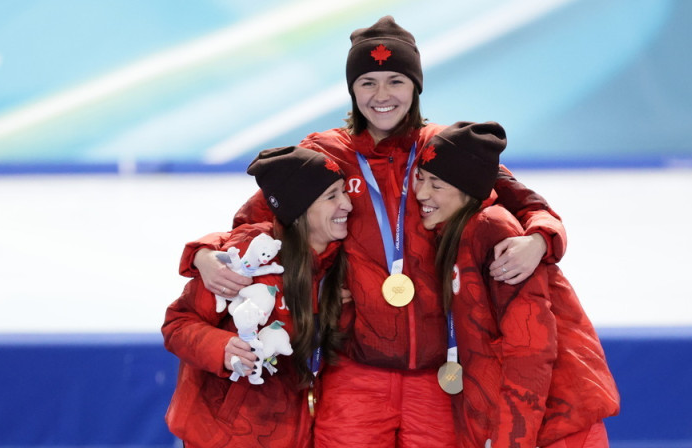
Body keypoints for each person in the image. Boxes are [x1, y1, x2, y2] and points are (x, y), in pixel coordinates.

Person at [181, 16, 569, 447]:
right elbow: (256, 225)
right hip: (354, 373)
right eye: (367, 82)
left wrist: (540, 239)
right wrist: (200, 252)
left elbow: (529, 205)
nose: (381, 96)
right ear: (352, 90)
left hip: (439, 377)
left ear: (415, 87)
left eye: (395, 81)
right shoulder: (325, 154)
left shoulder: (445, 150)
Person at [414, 121, 620, 448]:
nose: (421, 193)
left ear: (468, 190)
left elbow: (530, 351)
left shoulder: (494, 231)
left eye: (436, 185)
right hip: (517, 422)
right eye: (420, 179)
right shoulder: (454, 230)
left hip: (556, 429)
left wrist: (513, 441)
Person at [162, 146, 353, 447]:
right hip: (223, 434)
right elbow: (177, 324)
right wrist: (221, 348)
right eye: (332, 196)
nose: (347, 205)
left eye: (344, 192)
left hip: (294, 431)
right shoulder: (248, 258)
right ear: (299, 210)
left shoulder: (338, 264)